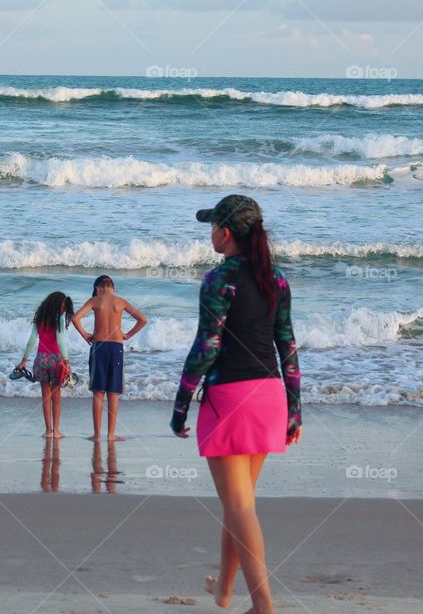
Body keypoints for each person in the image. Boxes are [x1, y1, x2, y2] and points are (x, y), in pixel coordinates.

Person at [170, 195, 302, 614]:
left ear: (225, 233)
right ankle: (225, 592)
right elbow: (288, 347)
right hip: (269, 397)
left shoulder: (218, 280)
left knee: (240, 505)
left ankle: (264, 605)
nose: (210, 233)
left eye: (212, 227)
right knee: (238, 503)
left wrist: (180, 403)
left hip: (229, 398)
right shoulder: (276, 279)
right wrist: (295, 409)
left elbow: (206, 346)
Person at [71, 275, 147, 442]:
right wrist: (127, 335)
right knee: (113, 393)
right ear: (113, 288)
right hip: (116, 348)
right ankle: (111, 435)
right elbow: (143, 319)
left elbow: (75, 318)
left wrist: (85, 335)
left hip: (98, 347)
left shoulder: (95, 300)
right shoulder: (121, 301)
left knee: (98, 392)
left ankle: (97, 435)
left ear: (98, 288)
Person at [17, 291, 74, 438]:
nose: (63, 310)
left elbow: (31, 340)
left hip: (40, 360)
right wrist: (67, 362)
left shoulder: (39, 318)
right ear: (57, 305)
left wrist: (24, 361)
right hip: (55, 360)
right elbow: (60, 341)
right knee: (56, 397)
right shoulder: (58, 319)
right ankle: (56, 431)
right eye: (62, 306)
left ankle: (48, 431)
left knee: (45, 397)